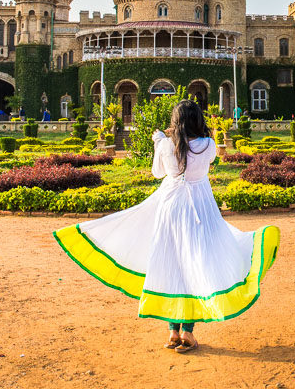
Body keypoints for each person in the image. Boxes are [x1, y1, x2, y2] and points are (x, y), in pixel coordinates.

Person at [54, 100, 280, 353]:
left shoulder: (164, 144)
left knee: (171, 262)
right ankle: (187, 332)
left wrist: (159, 142)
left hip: (170, 205)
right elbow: (206, 161)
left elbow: (157, 173)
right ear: (197, 120)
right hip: (200, 207)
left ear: (176, 122)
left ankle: (173, 332)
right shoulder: (208, 145)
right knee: (195, 263)